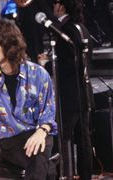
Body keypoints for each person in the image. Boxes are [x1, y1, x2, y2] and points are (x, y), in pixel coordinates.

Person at [0, 20, 58, 179]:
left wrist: (41, 131)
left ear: (8, 46)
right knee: (44, 165)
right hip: (11, 139)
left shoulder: (38, 74)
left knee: (40, 144)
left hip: (39, 133)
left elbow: (48, 113)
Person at [44, 0, 94, 179]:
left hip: (69, 94)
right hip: (84, 92)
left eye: (55, 3)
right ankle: (85, 175)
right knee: (83, 140)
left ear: (62, 6)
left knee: (61, 139)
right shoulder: (82, 28)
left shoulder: (64, 31)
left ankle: (62, 174)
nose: (53, 7)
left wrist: (46, 63)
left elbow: (65, 65)